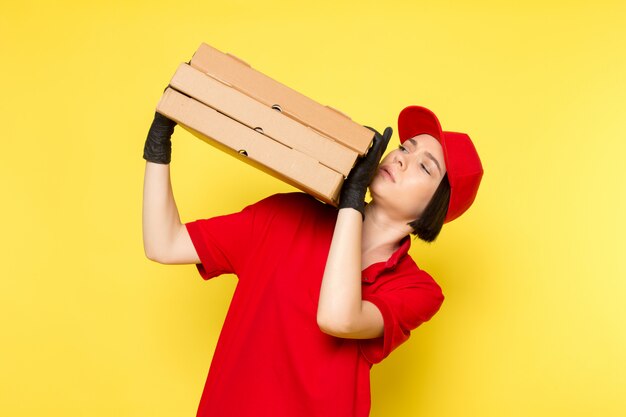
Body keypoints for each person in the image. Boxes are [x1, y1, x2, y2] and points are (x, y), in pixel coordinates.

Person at [142, 104, 483, 417]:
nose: (400, 159)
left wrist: (351, 201)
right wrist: (158, 145)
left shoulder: (418, 289)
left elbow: (338, 318)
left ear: (438, 208)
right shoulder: (289, 213)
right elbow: (165, 243)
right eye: (405, 147)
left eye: (424, 166)